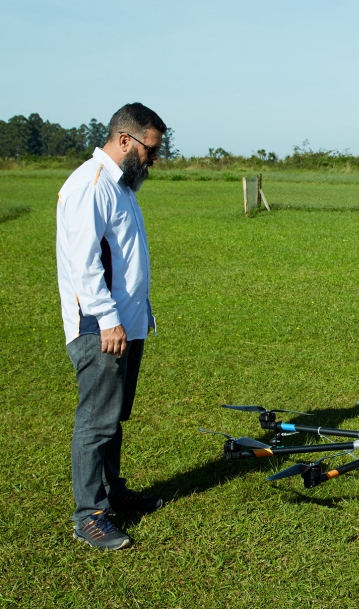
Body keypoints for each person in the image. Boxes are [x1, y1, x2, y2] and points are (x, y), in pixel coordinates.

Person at [57, 103, 167, 550]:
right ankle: (89, 515)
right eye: (150, 150)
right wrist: (107, 319)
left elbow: (124, 259)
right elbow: (84, 265)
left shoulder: (121, 186)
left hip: (126, 324)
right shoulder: (92, 184)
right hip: (100, 327)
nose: (153, 160)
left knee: (113, 416)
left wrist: (138, 312)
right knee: (96, 421)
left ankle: (112, 491)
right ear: (125, 140)